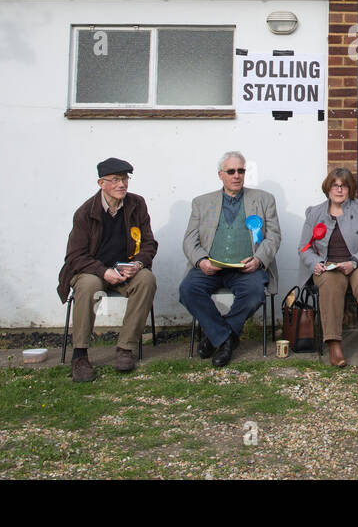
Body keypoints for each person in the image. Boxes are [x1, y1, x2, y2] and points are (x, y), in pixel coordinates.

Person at [57, 157, 158, 383]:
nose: (121, 184)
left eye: (124, 179)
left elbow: (149, 243)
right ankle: (80, 355)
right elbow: (75, 257)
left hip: (125, 269)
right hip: (93, 270)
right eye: (115, 180)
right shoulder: (85, 212)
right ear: (101, 183)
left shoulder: (137, 204)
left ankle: (125, 348)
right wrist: (103, 272)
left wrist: (137, 264)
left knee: (146, 279)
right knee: (89, 285)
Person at [180, 151, 281, 367]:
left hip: (247, 268)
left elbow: (274, 237)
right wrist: (201, 262)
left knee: (254, 293)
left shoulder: (264, 200)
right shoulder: (201, 202)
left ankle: (217, 337)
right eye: (231, 171)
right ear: (220, 175)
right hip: (211, 267)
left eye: (241, 171)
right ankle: (226, 338)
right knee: (188, 289)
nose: (237, 175)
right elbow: (189, 241)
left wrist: (258, 260)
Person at [297, 167, 358, 367]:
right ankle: (334, 343)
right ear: (327, 188)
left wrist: (354, 261)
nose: (339, 190)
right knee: (329, 284)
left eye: (344, 186)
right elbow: (304, 249)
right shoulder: (314, 213)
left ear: (350, 189)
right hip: (328, 265)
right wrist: (316, 264)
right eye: (335, 185)